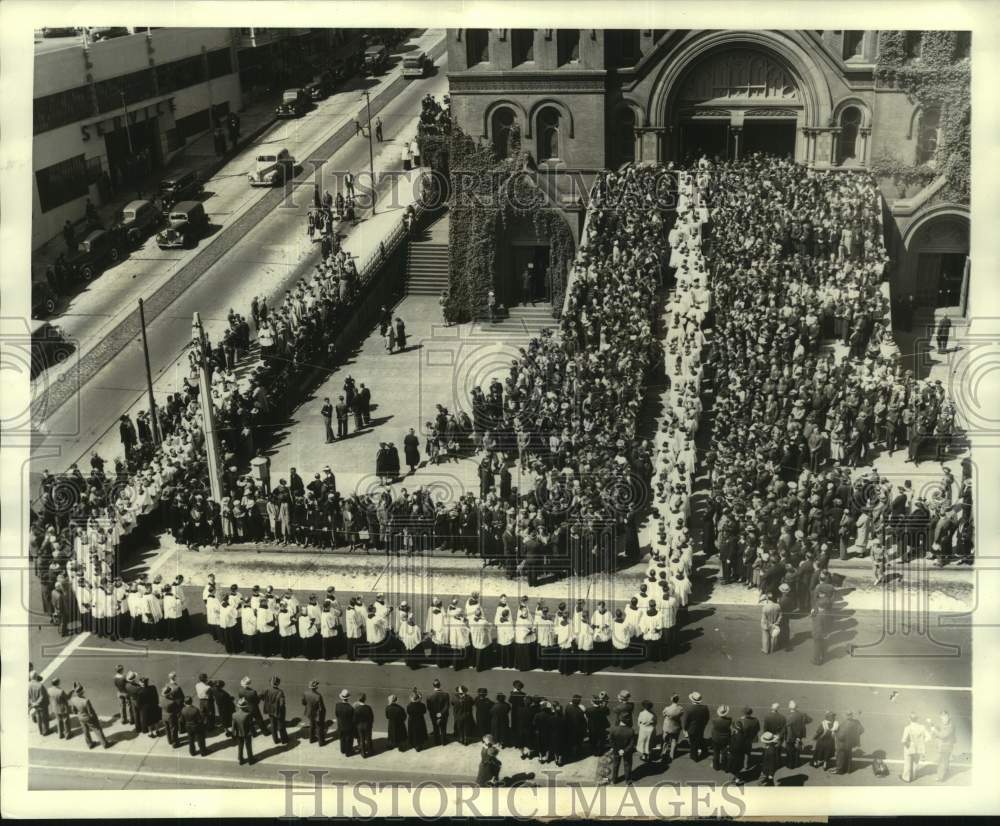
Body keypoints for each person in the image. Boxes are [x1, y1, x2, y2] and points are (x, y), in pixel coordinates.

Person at [69, 684, 109, 749]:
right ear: (82, 692)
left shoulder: (73, 699)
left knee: (85, 731)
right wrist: (95, 719)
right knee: (97, 729)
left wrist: (79, 714)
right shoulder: (86, 701)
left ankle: (90, 744)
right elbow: (91, 712)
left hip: (81, 718)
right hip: (88, 718)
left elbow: (73, 710)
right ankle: (105, 744)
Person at [609, 713, 637, 785]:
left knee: (615, 765)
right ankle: (627, 780)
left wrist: (618, 749)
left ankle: (614, 780)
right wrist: (624, 750)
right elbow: (632, 744)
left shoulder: (613, 729)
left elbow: (611, 742)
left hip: (616, 750)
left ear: (620, 720)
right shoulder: (631, 731)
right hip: (627, 751)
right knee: (627, 764)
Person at [833, 710, 864, 774]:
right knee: (849, 755)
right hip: (851, 743)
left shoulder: (845, 724)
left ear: (846, 715)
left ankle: (839, 770)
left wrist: (836, 732)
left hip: (842, 744)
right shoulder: (857, 722)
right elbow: (861, 730)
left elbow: (841, 736)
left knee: (840, 757)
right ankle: (848, 770)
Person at [901, 712, 928, 782]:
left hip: (909, 748)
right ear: (917, 719)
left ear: (909, 719)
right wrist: (922, 742)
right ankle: (913, 776)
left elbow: (903, 740)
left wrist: (908, 746)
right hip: (919, 748)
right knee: (915, 763)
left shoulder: (907, 728)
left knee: (907, 763)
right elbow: (929, 737)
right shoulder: (922, 727)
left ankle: (906, 778)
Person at [928, 711, 956, 782]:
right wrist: (931, 723)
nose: (944, 719)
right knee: (945, 760)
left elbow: (943, 735)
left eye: (945, 717)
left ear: (948, 716)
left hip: (946, 746)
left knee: (941, 762)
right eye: (942, 718)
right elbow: (938, 727)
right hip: (946, 745)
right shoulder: (945, 723)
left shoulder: (950, 726)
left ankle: (940, 777)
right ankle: (946, 772)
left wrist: (934, 730)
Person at [683, 691, 710, 761]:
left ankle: (694, 757)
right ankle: (703, 752)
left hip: (691, 729)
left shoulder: (689, 709)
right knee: (699, 739)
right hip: (701, 728)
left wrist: (685, 729)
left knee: (693, 744)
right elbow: (707, 718)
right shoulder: (705, 708)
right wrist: (703, 725)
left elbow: (685, 721)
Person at [263, 676, 289, 745]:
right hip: (278, 711)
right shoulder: (280, 692)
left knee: (273, 725)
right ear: (278, 684)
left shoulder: (267, 690)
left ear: (271, 683)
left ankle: (275, 740)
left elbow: (261, 697)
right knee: (281, 726)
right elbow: (282, 704)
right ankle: (284, 740)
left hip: (270, 710)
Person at [426, 678, 450, 746]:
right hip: (443, 715)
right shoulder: (446, 694)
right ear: (440, 685)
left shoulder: (429, 696)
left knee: (435, 728)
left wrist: (436, 714)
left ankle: (437, 742)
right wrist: (440, 714)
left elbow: (429, 707)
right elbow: (447, 706)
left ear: (433, 686)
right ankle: (444, 742)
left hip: (433, 715)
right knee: (443, 728)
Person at [232, 697, 256, 765]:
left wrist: (233, 734)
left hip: (239, 733)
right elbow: (251, 725)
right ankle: (250, 760)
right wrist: (253, 732)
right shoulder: (248, 714)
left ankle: (241, 759)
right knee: (248, 747)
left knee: (240, 746)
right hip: (247, 733)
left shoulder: (234, 714)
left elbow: (233, 726)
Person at [661, 694, 684, 763]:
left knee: (665, 741)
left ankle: (663, 753)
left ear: (671, 699)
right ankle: (672, 755)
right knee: (674, 741)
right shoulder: (680, 708)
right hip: (676, 727)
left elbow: (663, 715)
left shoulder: (667, 708)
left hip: (667, 726)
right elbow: (681, 715)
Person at [335, 689, 356, 756]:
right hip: (348, 726)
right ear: (348, 698)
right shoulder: (351, 708)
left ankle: (342, 750)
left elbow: (337, 714)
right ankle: (348, 752)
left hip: (340, 725)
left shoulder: (337, 705)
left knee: (342, 738)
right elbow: (353, 719)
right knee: (348, 739)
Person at [354, 693, 375, 758]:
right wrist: (371, 724)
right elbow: (371, 717)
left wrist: (356, 725)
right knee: (369, 738)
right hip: (367, 725)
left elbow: (354, 719)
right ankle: (370, 750)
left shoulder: (357, 709)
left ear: (358, 700)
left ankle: (363, 753)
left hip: (360, 726)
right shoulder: (368, 708)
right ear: (365, 699)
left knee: (361, 739)